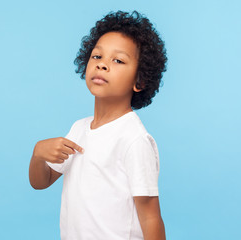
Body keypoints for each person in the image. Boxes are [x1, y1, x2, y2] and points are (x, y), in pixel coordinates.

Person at [29, 10, 168, 240]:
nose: (102, 65)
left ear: (140, 80)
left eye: (118, 60)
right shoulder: (79, 129)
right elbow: (41, 182)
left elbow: (151, 217)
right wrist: (37, 155)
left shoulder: (133, 139)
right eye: (97, 57)